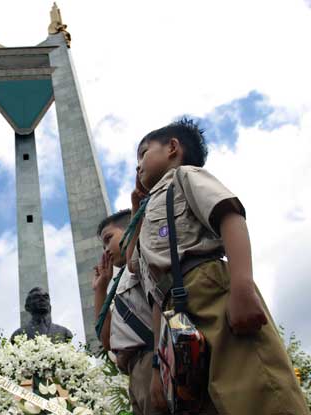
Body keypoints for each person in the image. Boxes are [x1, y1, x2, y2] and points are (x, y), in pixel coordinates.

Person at [131, 117, 308, 414]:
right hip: (171, 309)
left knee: (255, 390)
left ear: (172, 147)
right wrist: (158, 363)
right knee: (206, 403)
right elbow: (148, 284)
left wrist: (241, 287)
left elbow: (230, 217)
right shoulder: (148, 211)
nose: (137, 166)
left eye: (143, 153)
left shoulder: (185, 177)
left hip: (208, 288)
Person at [94, 210, 167, 415]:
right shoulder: (119, 282)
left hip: (154, 361)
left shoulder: (145, 260)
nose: (106, 249)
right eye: (103, 245)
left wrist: (156, 366)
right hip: (135, 372)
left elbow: (161, 308)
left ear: (131, 228)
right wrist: (100, 289)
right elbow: (107, 341)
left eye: (109, 239)